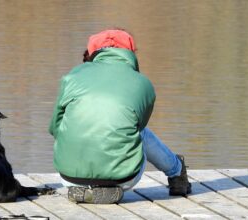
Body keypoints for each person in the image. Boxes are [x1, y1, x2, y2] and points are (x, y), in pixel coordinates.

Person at [49, 29, 191, 204]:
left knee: (71, 127)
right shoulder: (142, 83)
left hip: (68, 177)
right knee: (139, 132)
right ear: (129, 52)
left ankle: (86, 188)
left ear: (92, 51)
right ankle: (177, 172)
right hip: (124, 177)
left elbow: (55, 128)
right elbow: (137, 129)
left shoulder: (72, 77)